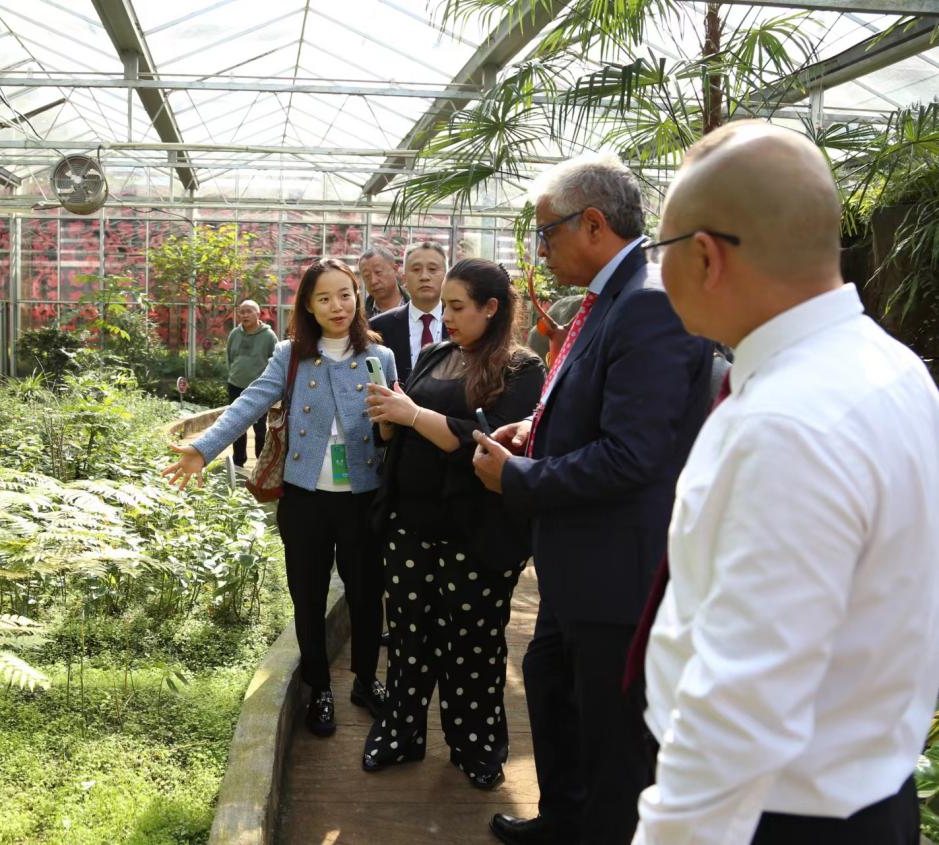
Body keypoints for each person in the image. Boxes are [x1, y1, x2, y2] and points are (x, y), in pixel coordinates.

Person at [634, 123, 939, 844]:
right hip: (857, 792)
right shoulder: (889, 367)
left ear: (705, 256)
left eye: (659, 251)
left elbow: (741, 705)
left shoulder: (787, 423)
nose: (656, 273)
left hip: (769, 815)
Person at [470, 152, 713, 845]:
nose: (540, 249)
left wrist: (519, 478)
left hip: (618, 573)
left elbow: (633, 455)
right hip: (582, 563)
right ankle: (563, 820)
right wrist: (535, 429)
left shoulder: (647, 303)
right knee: (550, 679)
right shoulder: (610, 298)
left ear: (594, 224)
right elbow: (600, 406)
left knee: (612, 740)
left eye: (546, 232)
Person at [164, 259, 397, 738]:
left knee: (366, 595)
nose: (337, 306)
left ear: (357, 298)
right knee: (307, 597)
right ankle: (320, 688)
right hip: (305, 498)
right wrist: (204, 448)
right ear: (308, 306)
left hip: (363, 497)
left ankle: (365, 679)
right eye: (324, 298)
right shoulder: (291, 355)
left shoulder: (380, 355)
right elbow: (250, 402)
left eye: (345, 294)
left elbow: (395, 419)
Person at [361, 258, 544, 789]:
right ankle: (401, 733)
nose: (446, 318)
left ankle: (475, 746)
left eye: (458, 307)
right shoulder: (436, 354)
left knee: (473, 644)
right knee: (409, 637)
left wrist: (412, 415)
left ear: (491, 308)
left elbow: (483, 443)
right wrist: (389, 420)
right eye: (445, 307)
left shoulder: (520, 368)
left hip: (476, 531)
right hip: (410, 525)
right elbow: (405, 429)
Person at [370, 242, 447, 383]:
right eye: (416, 269)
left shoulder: (462, 323)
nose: (424, 276)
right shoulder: (379, 327)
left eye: (432, 269)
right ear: (404, 279)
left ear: (446, 277)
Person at [225, 299, 278, 466]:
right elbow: (230, 357)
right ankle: (238, 462)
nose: (245, 315)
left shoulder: (269, 336)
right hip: (235, 385)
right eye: (242, 312)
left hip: (259, 389)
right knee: (236, 425)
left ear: (258, 314)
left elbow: (276, 362)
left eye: (249, 311)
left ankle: (261, 464)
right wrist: (233, 374)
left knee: (260, 428)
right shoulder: (234, 334)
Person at [359, 245, 409, 317]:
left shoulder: (417, 306)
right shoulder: (359, 317)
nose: (373, 281)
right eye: (367, 276)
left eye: (378, 272)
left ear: (395, 269)